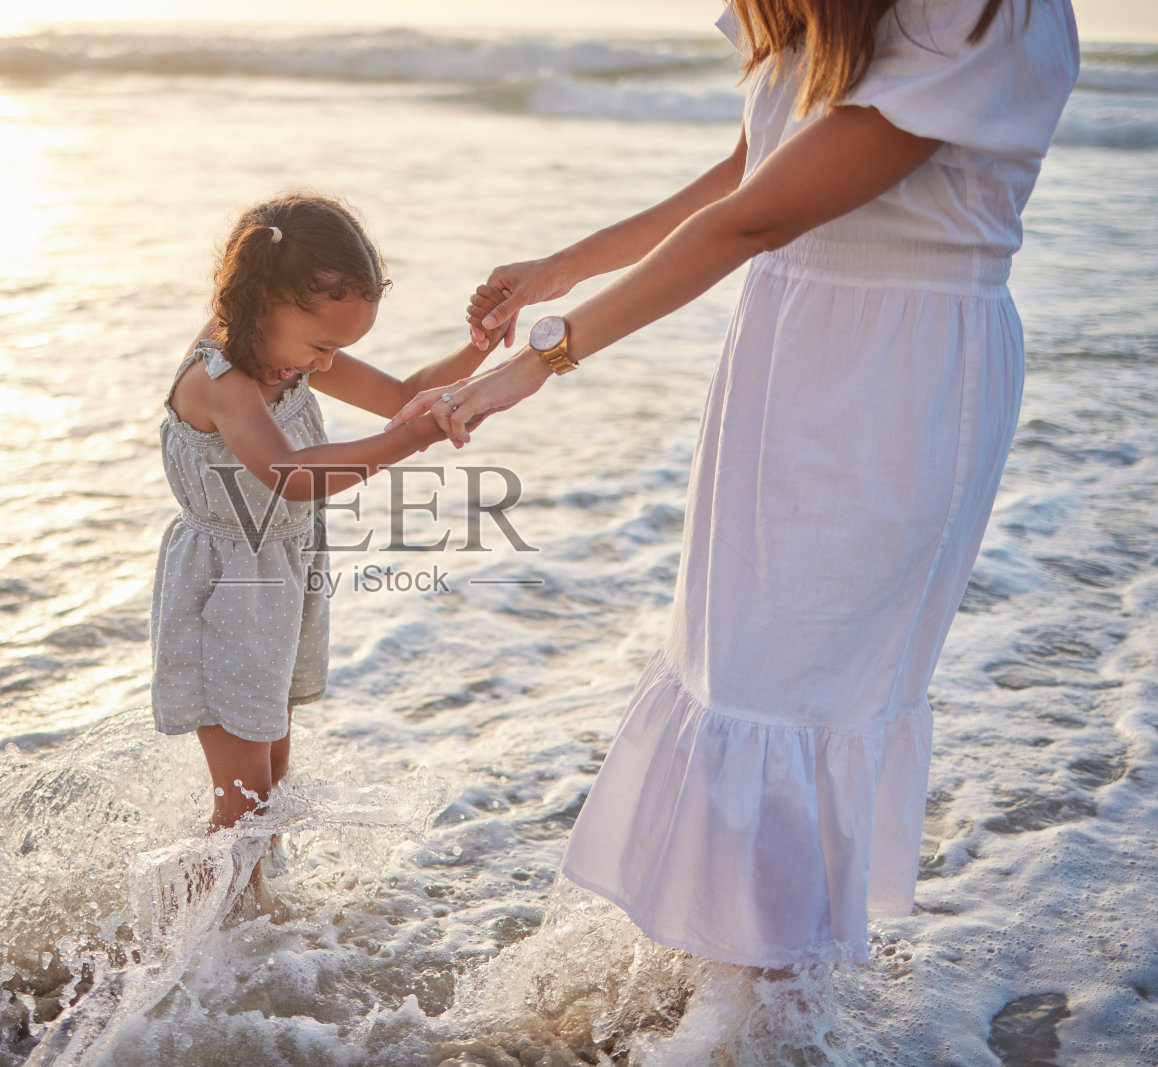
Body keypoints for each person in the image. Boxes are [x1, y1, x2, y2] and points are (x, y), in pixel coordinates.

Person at [389, 0, 1079, 967]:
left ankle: (782, 1003)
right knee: (734, 673)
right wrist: (565, 267)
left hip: (895, 375)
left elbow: (756, 216)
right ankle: (739, 982)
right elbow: (749, 170)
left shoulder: (978, 13)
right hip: (786, 345)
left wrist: (538, 361)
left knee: (792, 690)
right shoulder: (828, 13)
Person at [151, 194, 498, 908]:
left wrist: (481, 348)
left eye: (336, 350)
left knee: (271, 779)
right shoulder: (223, 380)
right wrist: (414, 438)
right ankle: (167, 934)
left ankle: (247, 918)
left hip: (280, 576)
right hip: (226, 591)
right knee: (244, 804)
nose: (329, 363)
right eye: (322, 348)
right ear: (264, 303)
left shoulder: (288, 352)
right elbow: (292, 476)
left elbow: (403, 394)